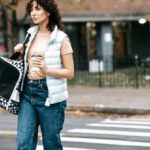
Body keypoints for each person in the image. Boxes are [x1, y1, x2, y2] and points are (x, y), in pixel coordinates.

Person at [14, 0, 74, 149]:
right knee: (23, 143)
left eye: (38, 9)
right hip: (27, 92)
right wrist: (21, 51)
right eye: (31, 9)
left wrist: (47, 70)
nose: (33, 13)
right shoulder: (30, 34)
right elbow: (29, 64)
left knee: (51, 144)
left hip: (49, 96)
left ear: (48, 11)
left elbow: (70, 72)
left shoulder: (61, 38)